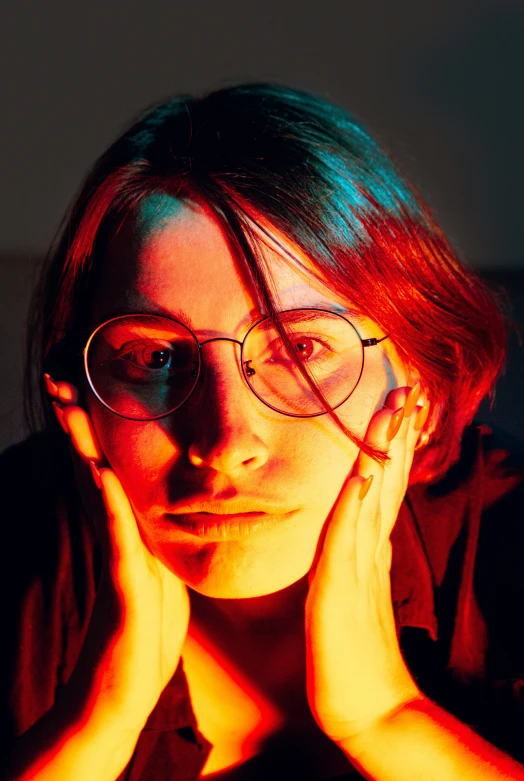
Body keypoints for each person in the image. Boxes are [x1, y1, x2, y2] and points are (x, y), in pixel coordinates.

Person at [2, 82, 524, 781]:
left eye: (299, 349)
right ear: (81, 397)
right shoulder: (15, 546)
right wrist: (96, 721)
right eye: (154, 357)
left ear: (417, 387)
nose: (223, 442)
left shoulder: (511, 546)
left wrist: (386, 718)